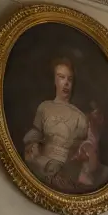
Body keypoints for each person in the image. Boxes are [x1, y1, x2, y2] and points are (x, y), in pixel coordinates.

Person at [22, 57, 90, 185]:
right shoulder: (45, 107)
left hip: (66, 171)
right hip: (41, 166)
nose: (66, 83)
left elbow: (81, 151)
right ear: (54, 80)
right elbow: (34, 136)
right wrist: (33, 146)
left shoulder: (79, 116)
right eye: (61, 77)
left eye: (70, 79)